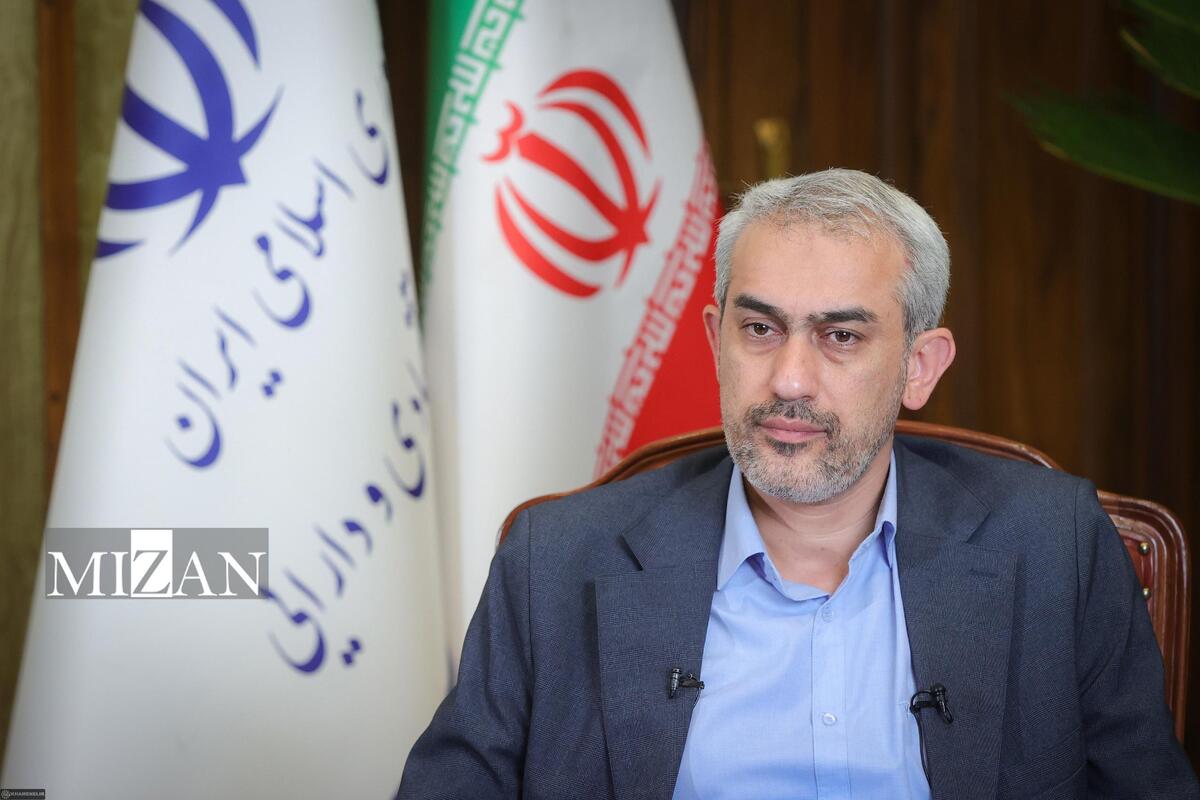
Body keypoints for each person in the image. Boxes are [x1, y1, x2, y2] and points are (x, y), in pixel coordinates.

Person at [398, 169, 1198, 799]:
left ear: (920, 367)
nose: (788, 379)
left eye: (841, 336)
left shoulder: (1054, 546)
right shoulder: (556, 562)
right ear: (715, 342)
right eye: (759, 328)